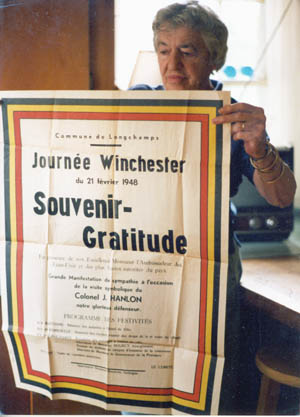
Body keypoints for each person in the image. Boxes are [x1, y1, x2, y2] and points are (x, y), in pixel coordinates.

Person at [129, 1, 297, 414]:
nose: (173, 62)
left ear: (212, 58)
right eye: (164, 49)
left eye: (188, 50)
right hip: (142, 262)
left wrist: (258, 145)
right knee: (138, 383)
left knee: (202, 382)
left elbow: (282, 196)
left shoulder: (232, 116)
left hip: (211, 265)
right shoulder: (137, 103)